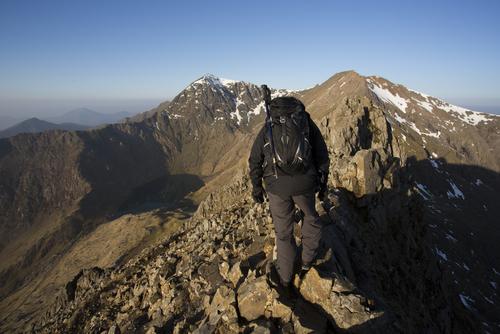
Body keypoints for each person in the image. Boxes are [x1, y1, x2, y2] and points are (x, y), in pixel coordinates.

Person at [248, 96, 329, 291]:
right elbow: (322, 154)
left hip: (276, 186)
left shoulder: (270, 124)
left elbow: (254, 159)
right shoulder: (305, 121)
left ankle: (285, 278)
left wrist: (257, 187)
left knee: (283, 234)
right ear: (297, 108)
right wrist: (322, 184)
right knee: (310, 218)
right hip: (304, 182)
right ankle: (306, 262)